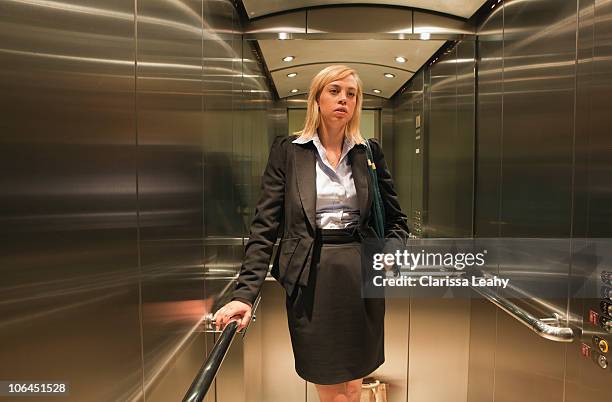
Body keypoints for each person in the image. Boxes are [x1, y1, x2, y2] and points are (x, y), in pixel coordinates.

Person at [213, 65, 410, 402]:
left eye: (351, 94)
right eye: (334, 91)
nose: (343, 99)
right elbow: (264, 226)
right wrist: (244, 294)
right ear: (316, 98)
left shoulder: (368, 151)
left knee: (353, 384)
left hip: (360, 273)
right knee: (329, 384)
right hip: (311, 275)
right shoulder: (289, 151)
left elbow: (396, 219)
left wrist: (390, 250)